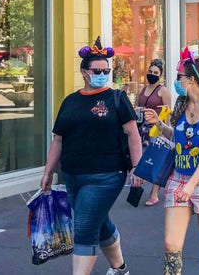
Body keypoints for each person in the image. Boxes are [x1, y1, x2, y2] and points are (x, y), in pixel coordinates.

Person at [41, 37, 143, 275]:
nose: (103, 74)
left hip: (107, 175)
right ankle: (120, 269)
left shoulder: (116, 98)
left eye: (107, 71)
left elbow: (132, 133)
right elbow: (58, 140)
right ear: (84, 72)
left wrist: (137, 167)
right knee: (99, 221)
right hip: (73, 176)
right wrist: (48, 172)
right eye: (98, 70)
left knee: (85, 226)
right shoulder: (71, 101)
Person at [143, 49, 199, 275]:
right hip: (179, 177)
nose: (176, 80)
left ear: (191, 79)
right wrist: (160, 126)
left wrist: (192, 186)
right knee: (171, 244)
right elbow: (178, 136)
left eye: (179, 76)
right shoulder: (180, 103)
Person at [135, 58, 172, 207]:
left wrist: (165, 131)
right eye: (150, 72)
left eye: (155, 72)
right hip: (142, 129)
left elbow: (167, 112)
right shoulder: (142, 89)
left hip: (156, 129)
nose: (152, 74)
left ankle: (154, 193)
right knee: (142, 159)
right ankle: (138, 186)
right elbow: (138, 106)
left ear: (160, 75)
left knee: (156, 160)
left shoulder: (163, 91)